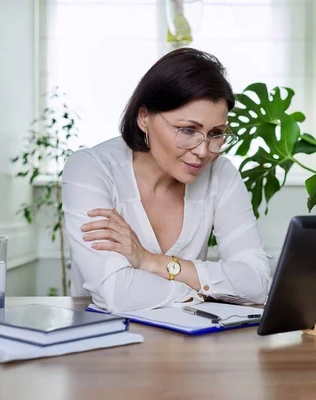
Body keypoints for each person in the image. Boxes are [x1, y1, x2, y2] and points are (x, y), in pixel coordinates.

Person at [61, 47, 271, 313]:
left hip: (191, 348)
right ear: (144, 117)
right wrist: (201, 292)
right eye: (188, 130)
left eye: (216, 133)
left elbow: (258, 282)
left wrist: (152, 262)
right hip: (107, 346)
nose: (203, 150)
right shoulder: (90, 169)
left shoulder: (221, 173)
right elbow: (116, 294)